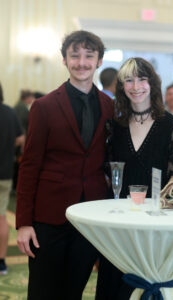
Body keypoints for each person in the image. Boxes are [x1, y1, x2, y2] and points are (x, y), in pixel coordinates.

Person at [16, 30, 113, 300]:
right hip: (49, 217)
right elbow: (29, 165)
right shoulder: (44, 106)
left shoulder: (110, 106)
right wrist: (23, 223)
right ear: (64, 60)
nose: (81, 62)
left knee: (74, 291)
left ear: (99, 61)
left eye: (89, 56)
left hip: (89, 217)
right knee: (42, 292)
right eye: (74, 56)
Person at [95, 57, 173, 300]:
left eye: (142, 79)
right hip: (118, 225)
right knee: (113, 287)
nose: (135, 86)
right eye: (128, 80)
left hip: (154, 227)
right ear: (121, 86)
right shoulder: (114, 127)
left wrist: (152, 213)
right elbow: (108, 176)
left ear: (152, 83)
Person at [0, 83, 24, 275]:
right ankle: (1, 262)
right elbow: (21, 138)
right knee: (1, 218)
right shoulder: (8, 112)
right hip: (5, 173)